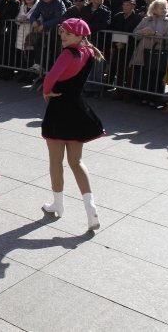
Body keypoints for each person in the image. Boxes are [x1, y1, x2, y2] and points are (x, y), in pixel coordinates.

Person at [40, 18, 104, 231]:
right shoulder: (89, 51)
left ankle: (58, 204)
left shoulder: (69, 53)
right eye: (63, 32)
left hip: (59, 111)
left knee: (55, 162)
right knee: (76, 162)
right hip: (78, 110)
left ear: (79, 36)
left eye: (69, 33)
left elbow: (50, 78)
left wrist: (46, 92)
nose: (63, 36)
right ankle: (91, 209)